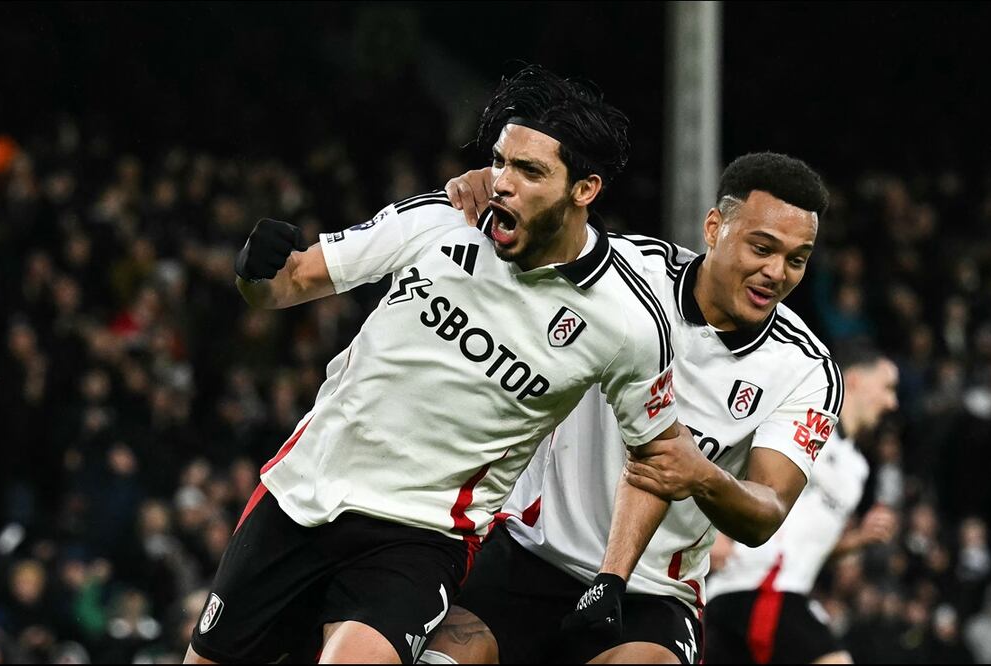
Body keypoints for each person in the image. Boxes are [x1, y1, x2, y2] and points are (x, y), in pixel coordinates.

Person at [184, 65, 683, 665]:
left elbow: (657, 452)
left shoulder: (625, 322)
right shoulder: (439, 221)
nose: (502, 183)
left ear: (585, 190)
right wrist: (254, 272)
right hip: (301, 492)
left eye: (530, 171)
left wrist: (616, 574)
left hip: (420, 533)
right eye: (500, 161)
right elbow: (290, 282)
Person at [424, 152, 839, 664]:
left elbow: (766, 513)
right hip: (530, 551)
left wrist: (702, 476)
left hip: (652, 596)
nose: (775, 272)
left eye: (796, 259)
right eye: (762, 247)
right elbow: (528, 233)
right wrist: (492, 193)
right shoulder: (621, 269)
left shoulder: (806, 371)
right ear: (714, 228)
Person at [705, 345, 900, 664]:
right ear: (853, 380)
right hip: (753, 590)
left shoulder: (857, 469)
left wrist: (858, 540)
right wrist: (713, 535)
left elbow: (808, 546)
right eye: (887, 388)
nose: (892, 402)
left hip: (781, 594)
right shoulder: (800, 427)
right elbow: (728, 466)